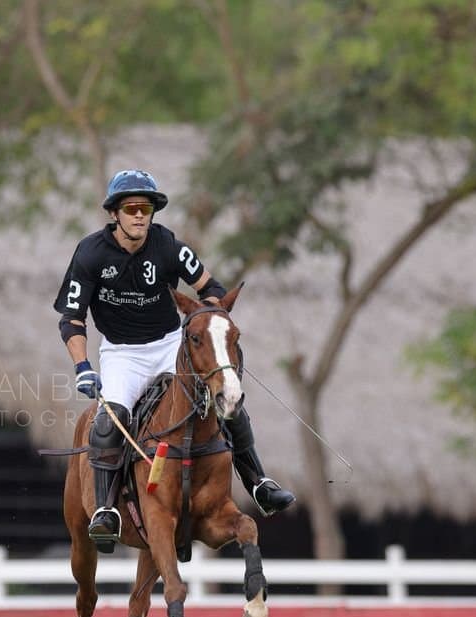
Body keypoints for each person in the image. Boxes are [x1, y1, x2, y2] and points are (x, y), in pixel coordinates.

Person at [53, 169, 295, 548]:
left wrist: (209, 325)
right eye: (131, 208)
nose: (139, 215)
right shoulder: (91, 253)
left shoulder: (168, 246)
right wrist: (83, 367)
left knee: (227, 405)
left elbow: (211, 288)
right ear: (115, 213)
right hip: (123, 354)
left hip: (170, 347)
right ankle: (105, 511)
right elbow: (71, 319)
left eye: (146, 208)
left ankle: (260, 484)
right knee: (107, 421)